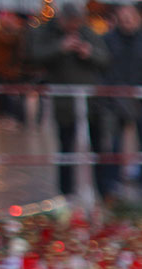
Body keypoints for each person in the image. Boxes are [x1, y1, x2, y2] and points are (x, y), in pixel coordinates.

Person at [27, 3, 110, 198]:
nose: (74, 26)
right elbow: (34, 55)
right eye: (70, 22)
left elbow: (105, 58)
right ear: (62, 20)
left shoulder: (87, 33)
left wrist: (89, 53)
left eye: (77, 22)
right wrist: (60, 48)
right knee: (66, 147)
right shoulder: (47, 32)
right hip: (63, 101)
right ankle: (66, 192)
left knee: (99, 146)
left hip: (92, 101)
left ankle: (104, 191)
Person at [102, 3, 142, 195]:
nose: (127, 21)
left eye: (131, 17)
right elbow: (105, 66)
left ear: (138, 19)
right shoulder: (109, 39)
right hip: (116, 98)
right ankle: (113, 183)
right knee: (115, 143)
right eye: (124, 17)